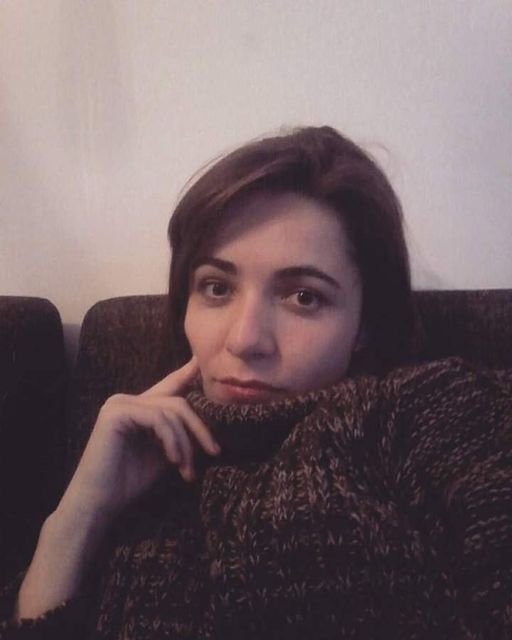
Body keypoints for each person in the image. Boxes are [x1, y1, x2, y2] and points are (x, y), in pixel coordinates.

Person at [1, 126, 511, 639]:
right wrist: (79, 515)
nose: (246, 340)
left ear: (366, 325)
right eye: (216, 288)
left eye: (304, 297)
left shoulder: (437, 413)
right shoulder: (140, 462)